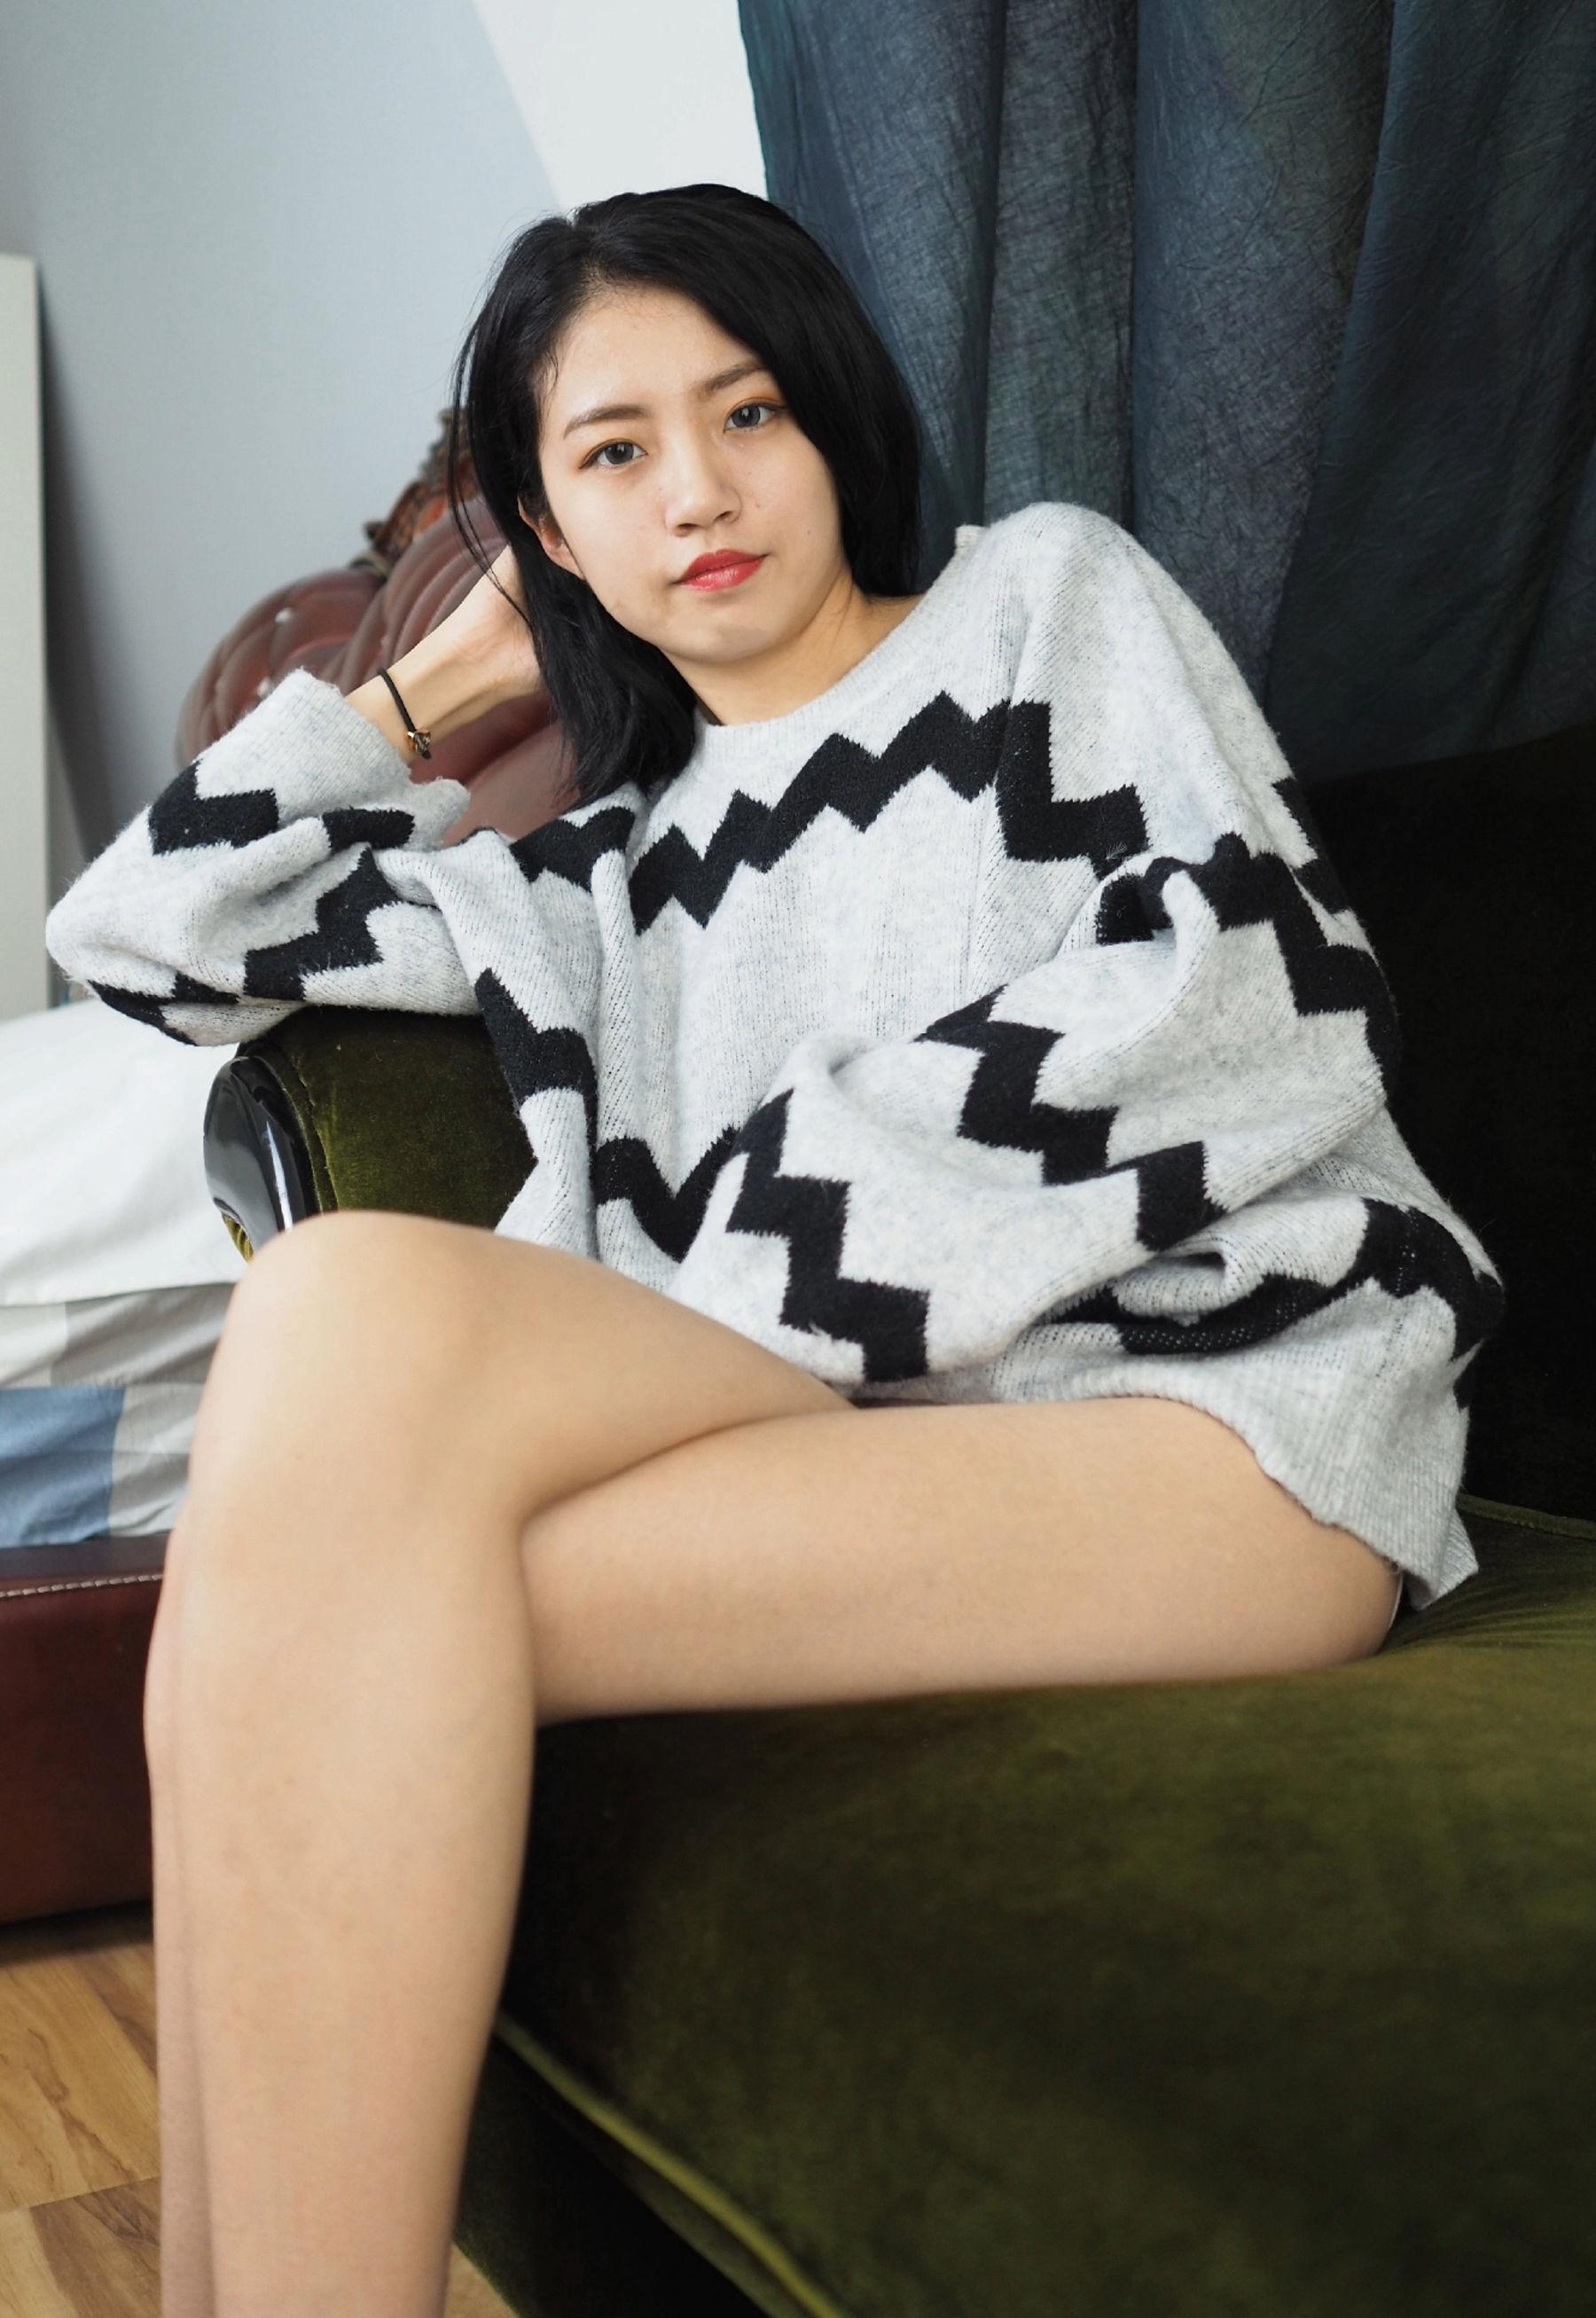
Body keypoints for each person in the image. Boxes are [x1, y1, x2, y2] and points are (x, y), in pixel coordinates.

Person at [43, 183, 1503, 2318]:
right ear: (549, 527)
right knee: (290, 1613)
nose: (701, 493)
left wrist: (749, 1259)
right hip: (856, 1461)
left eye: (748, 414)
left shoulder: (1044, 605)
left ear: (831, 422)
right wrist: (436, 679)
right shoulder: (593, 881)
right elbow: (138, 936)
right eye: (613, 451)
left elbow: (1256, 993)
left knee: (344, 1316)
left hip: (1224, 1432)